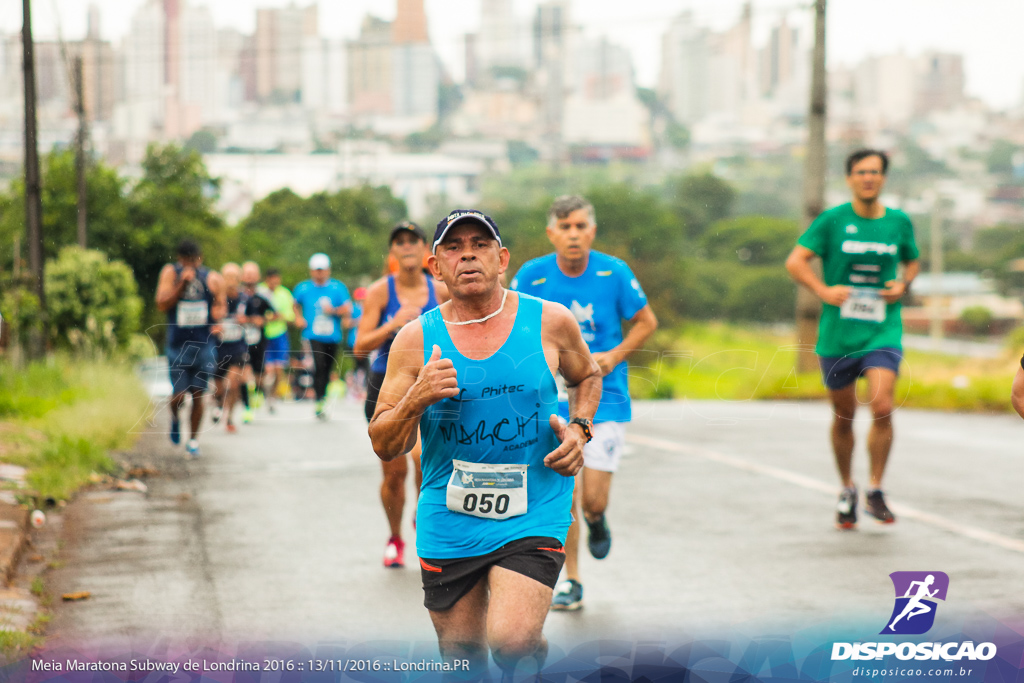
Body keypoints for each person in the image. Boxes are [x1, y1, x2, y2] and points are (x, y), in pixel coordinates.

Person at [368, 209, 602, 680]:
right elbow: (384, 442)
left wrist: (579, 429)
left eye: (480, 243)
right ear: (436, 267)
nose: (468, 254)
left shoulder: (550, 321)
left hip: (535, 506)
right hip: (449, 515)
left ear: (502, 259)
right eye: (453, 247)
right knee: (462, 660)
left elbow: (588, 375)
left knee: (512, 642)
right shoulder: (415, 339)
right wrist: (416, 398)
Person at [511, 195, 658, 612]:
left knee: (592, 500)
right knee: (564, 494)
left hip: (605, 400)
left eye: (580, 226)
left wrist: (614, 356)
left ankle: (598, 520)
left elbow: (646, 322)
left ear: (591, 231)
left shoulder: (615, 272)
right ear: (551, 233)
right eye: (564, 227)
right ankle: (571, 580)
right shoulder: (532, 276)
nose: (572, 234)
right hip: (551, 401)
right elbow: (514, 325)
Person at [785, 148, 920, 529]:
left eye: (875, 172)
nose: (868, 178)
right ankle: (847, 488)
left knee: (881, 405)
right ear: (849, 179)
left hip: (882, 329)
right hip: (839, 336)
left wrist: (903, 283)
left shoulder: (898, 222)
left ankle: (875, 489)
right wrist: (823, 290)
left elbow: (912, 260)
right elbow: (795, 261)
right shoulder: (832, 221)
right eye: (861, 172)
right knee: (844, 417)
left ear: (883, 178)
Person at [354, 222, 450, 569]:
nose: (407, 247)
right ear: (393, 251)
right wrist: (391, 325)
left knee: (425, 462)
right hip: (387, 385)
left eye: (413, 241)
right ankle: (395, 537)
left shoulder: (439, 289)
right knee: (393, 474)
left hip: (430, 384)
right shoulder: (381, 291)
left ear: (426, 248)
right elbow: (359, 346)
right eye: (400, 242)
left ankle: (422, 513)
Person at [155, 239, 225, 458]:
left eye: (193, 261)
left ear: (200, 259)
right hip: (177, 346)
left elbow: (221, 305)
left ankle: (193, 440)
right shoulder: (170, 273)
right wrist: (182, 285)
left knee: (198, 395)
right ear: (179, 260)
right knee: (178, 396)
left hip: (204, 347)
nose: (190, 266)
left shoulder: (212, 278)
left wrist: (217, 319)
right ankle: (175, 419)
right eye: (186, 261)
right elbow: (161, 303)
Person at [293, 253, 352, 420]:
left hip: (332, 336)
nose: (319, 273)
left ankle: (322, 396)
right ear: (311, 271)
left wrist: (332, 311)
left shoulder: (337, 287)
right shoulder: (303, 288)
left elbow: (347, 308)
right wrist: (298, 318)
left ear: (328, 270)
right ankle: (318, 399)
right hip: (312, 334)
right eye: (316, 270)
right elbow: (295, 304)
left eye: (322, 270)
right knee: (318, 364)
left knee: (327, 368)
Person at [212, 262, 248, 434]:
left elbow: (260, 317)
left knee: (233, 384)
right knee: (219, 387)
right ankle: (218, 403)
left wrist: (247, 320)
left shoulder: (245, 298)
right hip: (218, 347)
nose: (231, 281)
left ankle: (230, 417)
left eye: (234, 277)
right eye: (227, 277)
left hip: (238, 347)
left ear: (239, 279)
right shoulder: (215, 297)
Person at [241, 261, 275, 420]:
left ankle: (258, 392)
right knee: (242, 371)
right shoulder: (237, 294)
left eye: (252, 274)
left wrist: (263, 320)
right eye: (247, 273)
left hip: (258, 339)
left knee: (258, 372)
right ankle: (246, 406)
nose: (249, 277)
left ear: (258, 276)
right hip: (240, 340)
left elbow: (274, 314)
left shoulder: (263, 295)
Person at [262, 268, 295, 413]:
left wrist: (276, 316)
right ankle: (262, 393)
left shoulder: (285, 293)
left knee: (278, 370)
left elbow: (290, 315)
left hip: (280, 335)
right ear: (267, 279)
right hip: (264, 335)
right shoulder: (260, 292)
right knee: (266, 370)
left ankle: (272, 398)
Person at [346, 286, 370, 402]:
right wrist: (358, 321)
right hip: (354, 342)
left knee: (366, 367)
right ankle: (355, 390)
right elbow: (345, 323)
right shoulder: (353, 308)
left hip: (366, 342)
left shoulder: (370, 309)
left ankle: (364, 390)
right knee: (358, 366)